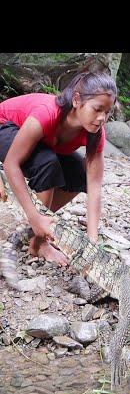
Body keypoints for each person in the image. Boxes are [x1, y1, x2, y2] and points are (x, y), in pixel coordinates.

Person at [0, 71, 117, 264]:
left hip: (40, 144)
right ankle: (38, 242)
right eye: (97, 109)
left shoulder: (95, 133)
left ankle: (33, 224)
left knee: (80, 174)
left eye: (107, 112)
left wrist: (92, 240)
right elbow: (12, 163)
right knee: (47, 163)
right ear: (77, 100)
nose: (102, 118)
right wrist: (34, 216)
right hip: (5, 125)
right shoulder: (46, 114)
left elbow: (94, 186)